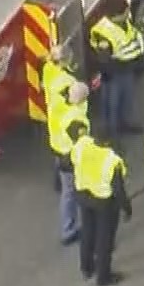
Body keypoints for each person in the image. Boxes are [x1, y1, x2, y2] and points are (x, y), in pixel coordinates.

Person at [71, 126, 133, 286]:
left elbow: (68, 161)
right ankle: (103, 276)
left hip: (83, 196)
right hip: (103, 202)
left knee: (87, 232)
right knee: (104, 239)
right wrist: (127, 208)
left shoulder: (82, 144)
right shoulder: (111, 159)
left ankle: (86, 268)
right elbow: (118, 189)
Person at [87, 8, 144, 138]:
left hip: (126, 69)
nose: (128, 13)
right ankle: (110, 135)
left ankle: (123, 124)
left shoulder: (124, 22)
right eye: (125, 12)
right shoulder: (104, 33)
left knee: (126, 100)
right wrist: (107, 76)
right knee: (111, 104)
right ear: (119, 14)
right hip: (114, 74)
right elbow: (103, 59)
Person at [47, 78, 88, 246]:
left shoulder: (58, 102)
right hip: (69, 156)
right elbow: (81, 143)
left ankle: (57, 182)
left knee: (65, 187)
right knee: (70, 193)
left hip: (56, 146)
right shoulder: (76, 117)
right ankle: (68, 230)